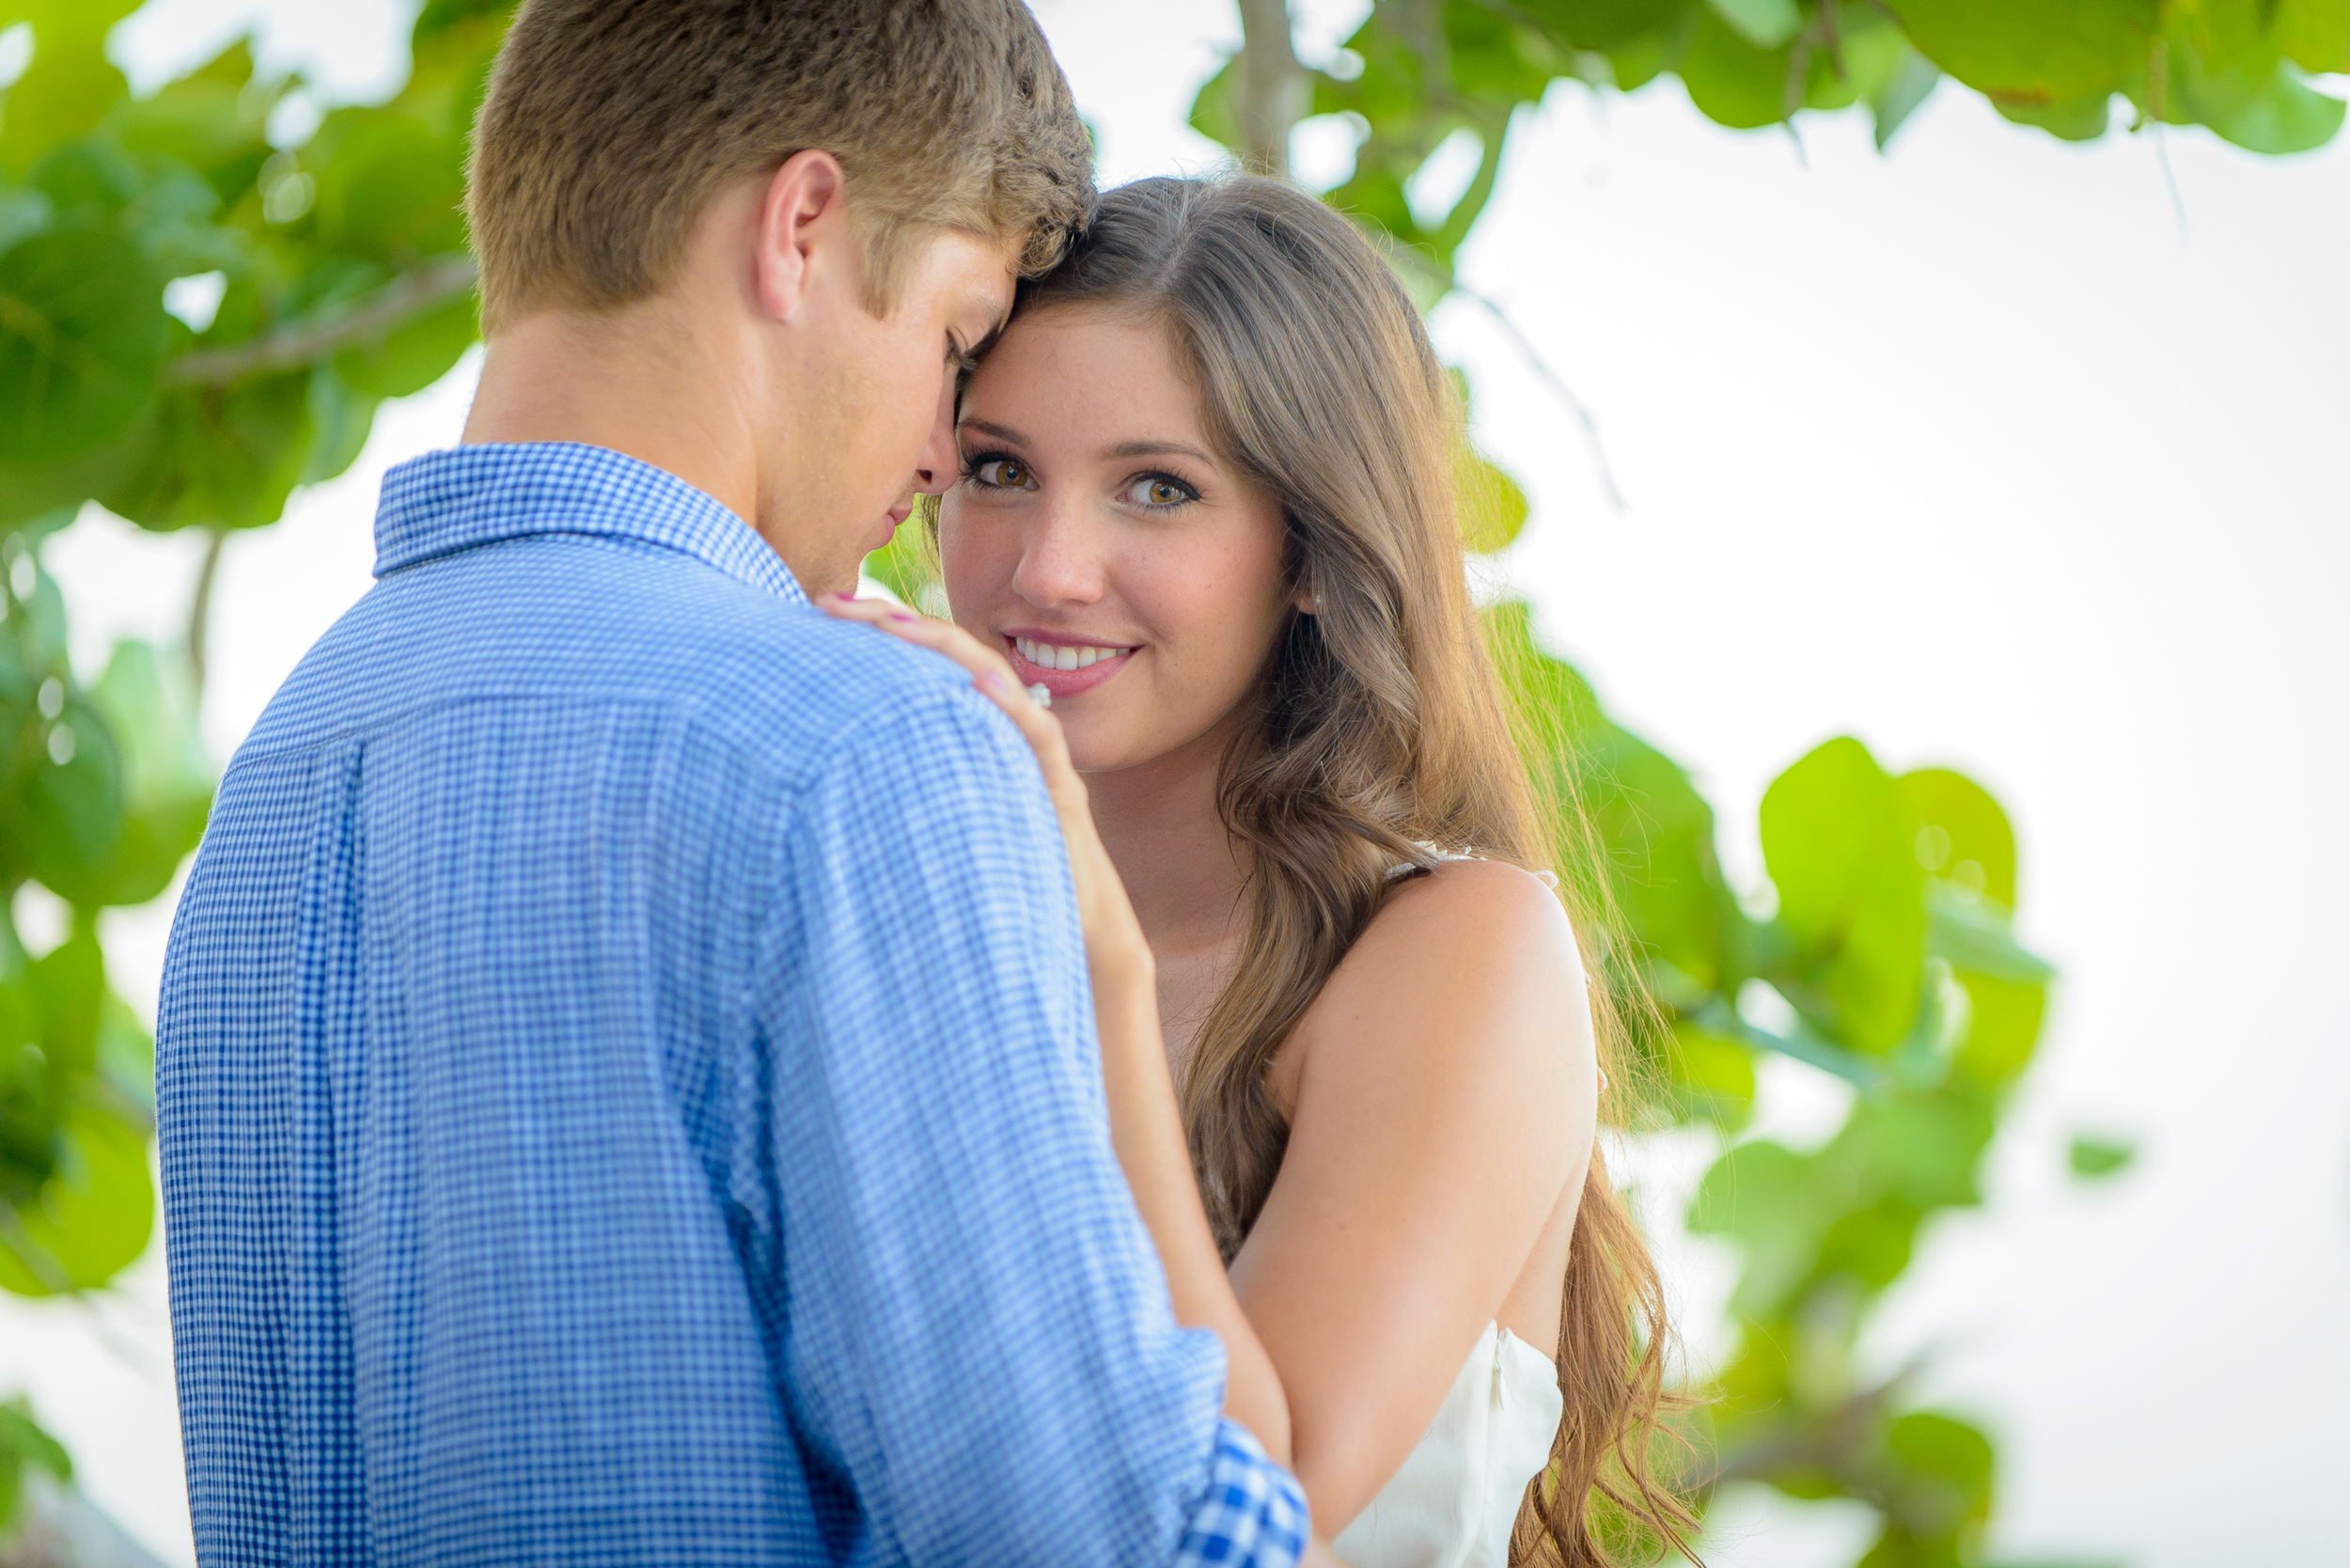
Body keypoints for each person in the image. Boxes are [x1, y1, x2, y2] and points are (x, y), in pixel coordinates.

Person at [154, 8, 1324, 1565]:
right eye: (959, 342)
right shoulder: (863, 749)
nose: (936, 449)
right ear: (804, 226)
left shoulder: (279, 775)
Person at [825, 176, 1702, 1567]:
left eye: (1157, 490)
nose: (1048, 571)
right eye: (999, 469)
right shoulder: (919, 938)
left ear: (1308, 551)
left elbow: (1253, 1502)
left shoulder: (1456, 948)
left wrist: (1105, 976)